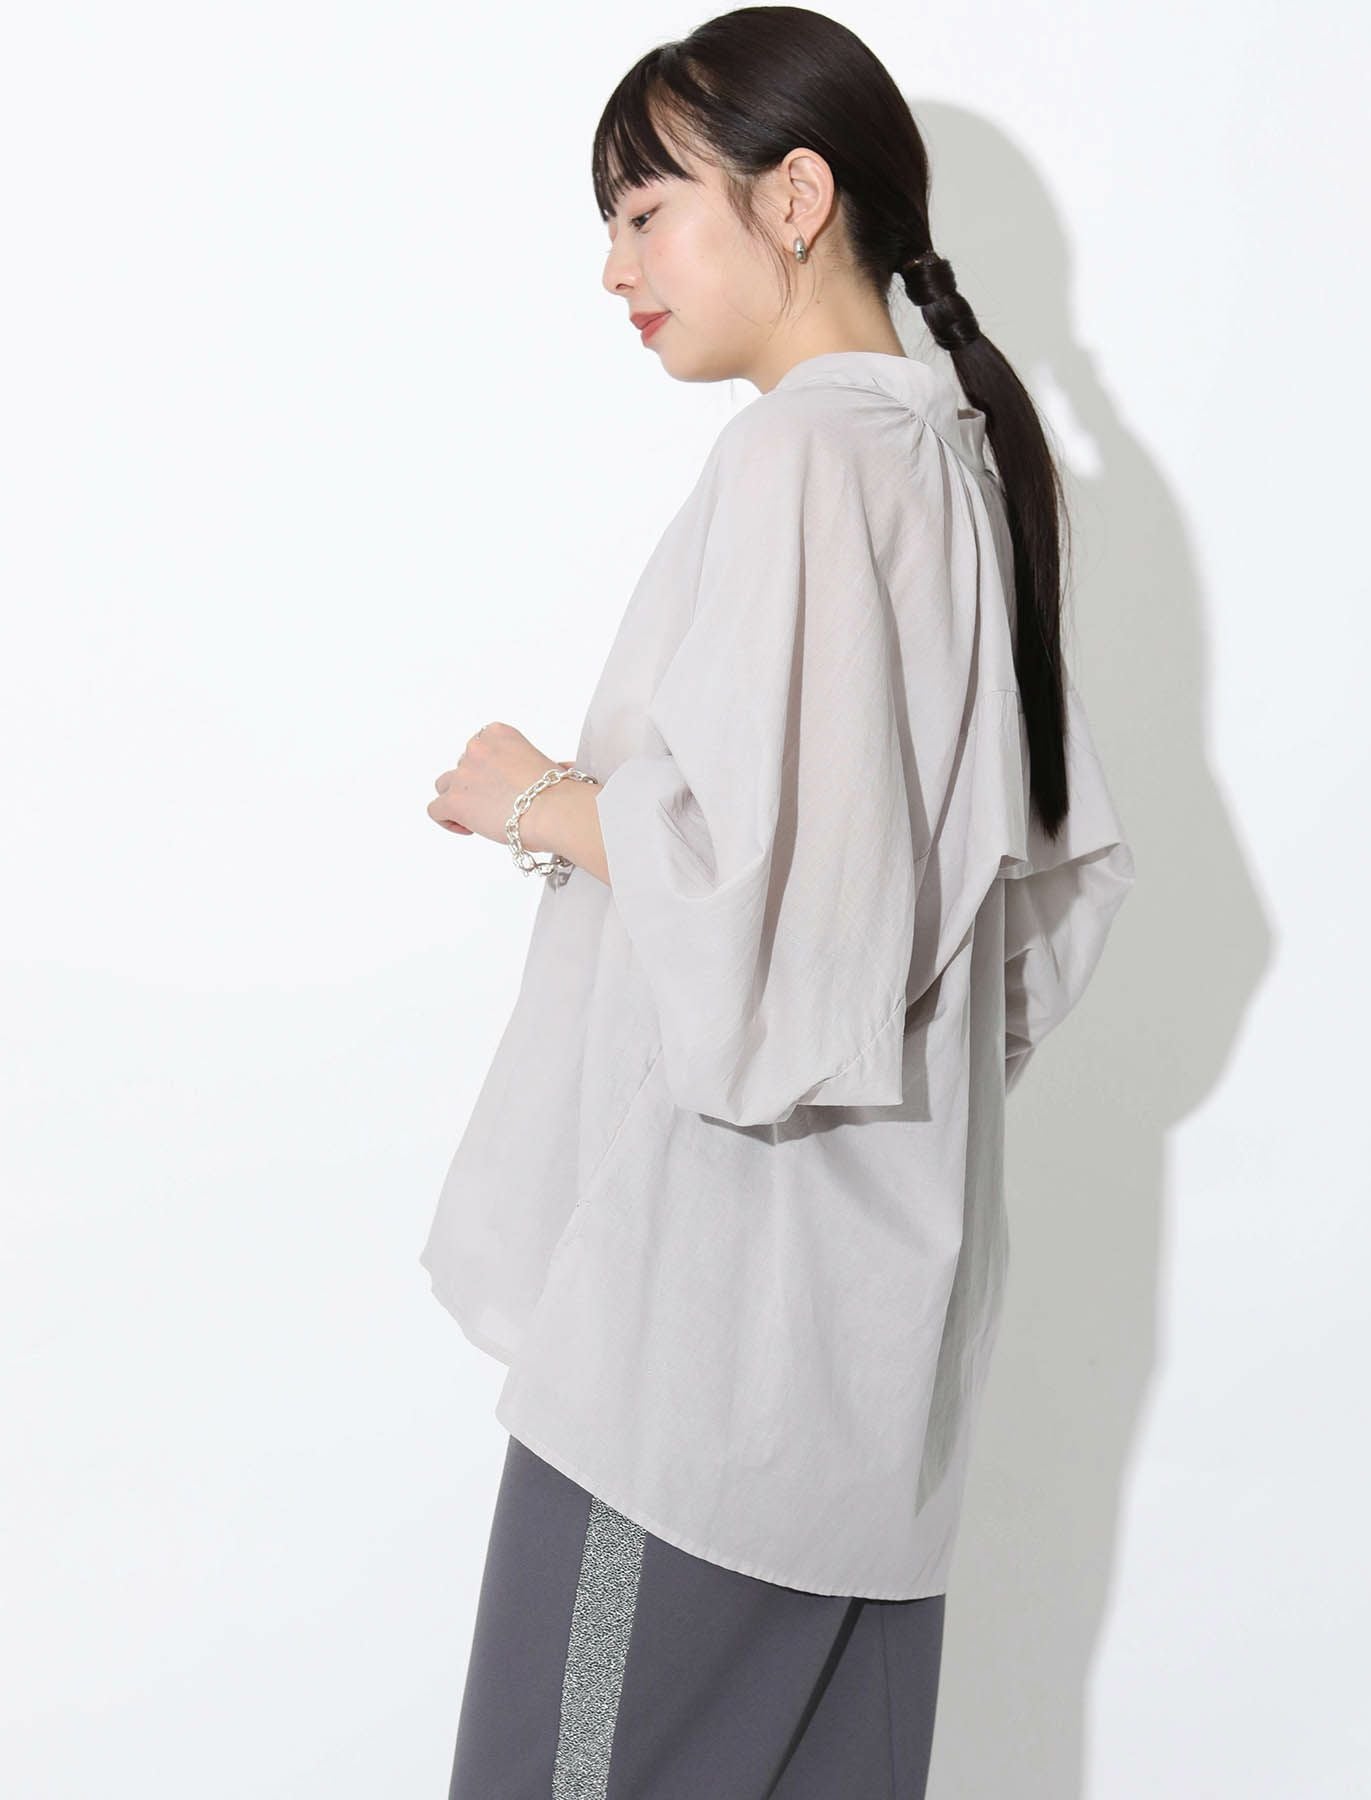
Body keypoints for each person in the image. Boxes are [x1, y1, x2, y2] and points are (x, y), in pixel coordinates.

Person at [422, 9, 1135, 1795]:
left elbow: (784, 920)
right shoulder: (954, 460)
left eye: (646, 211)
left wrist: (541, 802)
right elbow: (1021, 920)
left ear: (795, 198)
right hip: (875, 1371)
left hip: (708, 1355)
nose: (616, 269)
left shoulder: (810, 458)